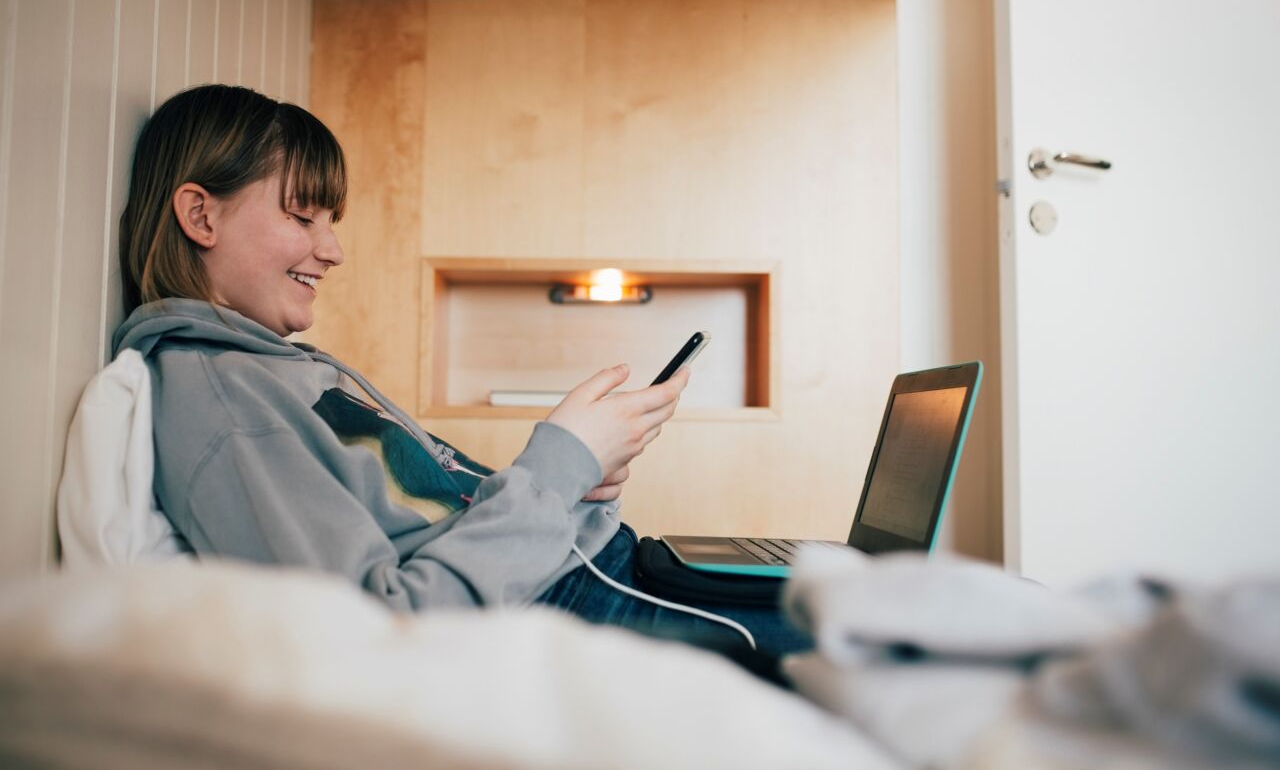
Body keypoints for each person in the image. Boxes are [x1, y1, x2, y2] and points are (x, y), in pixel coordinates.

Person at [114, 84, 809, 659]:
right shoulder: (227, 404)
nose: (331, 249)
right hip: (560, 604)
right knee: (869, 651)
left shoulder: (267, 367)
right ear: (201, 215)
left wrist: (578, 483)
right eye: (302, 214)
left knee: (851, 596)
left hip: (576, 568)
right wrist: (555, 466)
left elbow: (441, 520)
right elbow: (385, 629)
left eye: (331, 218)